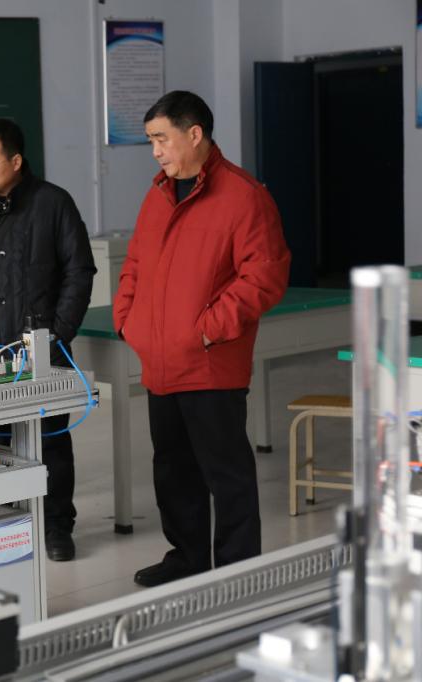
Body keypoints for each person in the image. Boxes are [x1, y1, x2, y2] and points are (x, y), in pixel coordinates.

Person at [113, 91, 291, 587]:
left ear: (194, 134)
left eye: (161, 139)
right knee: (172, 470)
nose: (155, 151)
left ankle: (237, 572)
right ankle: (187, 559)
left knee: (226, 474)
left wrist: (207, 331)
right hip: (160, 362)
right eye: (150, 141)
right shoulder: (158, 193)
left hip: (211, 364)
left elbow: (264, 278)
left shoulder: (244, 196)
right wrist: (129, 320)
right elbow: (135, 264)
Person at [0, 119, 96, 562]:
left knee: (51, 441)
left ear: (15, 161)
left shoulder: (53, 203)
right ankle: (1, 526)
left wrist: (58, 332)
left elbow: (79, 271)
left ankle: (56, 526)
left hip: (43, 346)